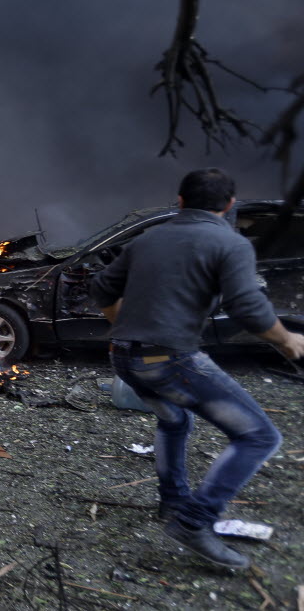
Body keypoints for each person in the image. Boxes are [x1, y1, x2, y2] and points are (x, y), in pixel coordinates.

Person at [90, 168, 304, 569]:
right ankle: (194, 520)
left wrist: (121, 325)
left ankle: (172, 504)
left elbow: (101, 287)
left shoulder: (149, 238)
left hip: (123, 356)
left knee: (174, 421)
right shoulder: (230, 242)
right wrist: (287, 339)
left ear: (181, 201)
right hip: (170, 361)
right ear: (229, 205)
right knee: (259, 436)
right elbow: (247, 306)